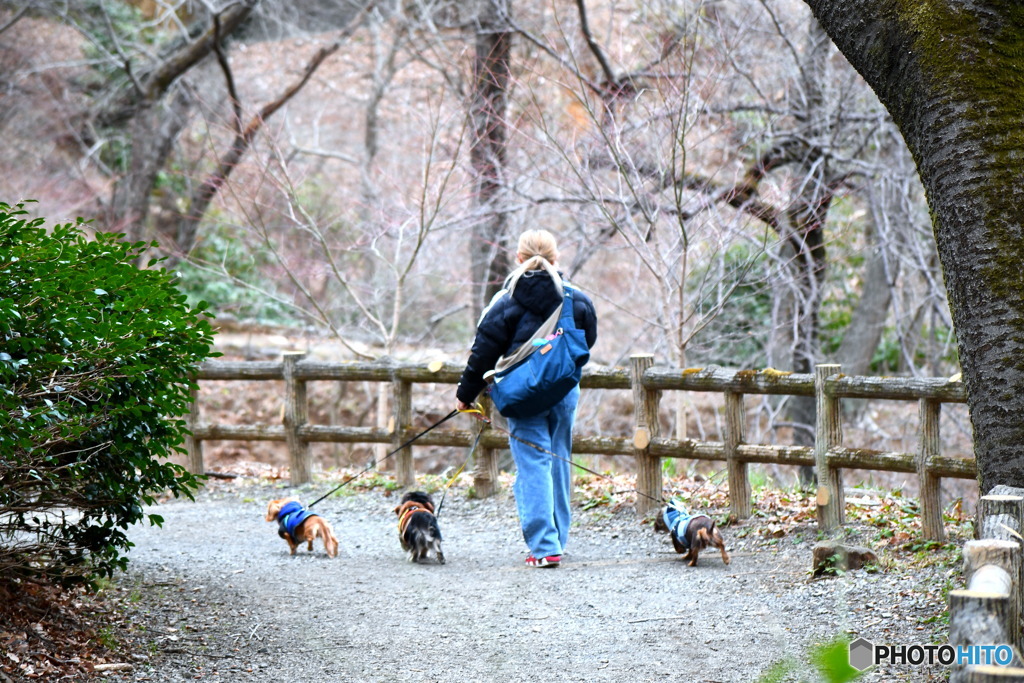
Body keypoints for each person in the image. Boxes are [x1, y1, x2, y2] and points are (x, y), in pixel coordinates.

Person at [456, 229, 598, 568]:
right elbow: (587, 342)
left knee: (533, 463)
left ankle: (545, 546)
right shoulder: (576, 300)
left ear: (518, 258)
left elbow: (483, 352)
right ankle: (557, 540)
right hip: (563, 390)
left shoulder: (505, 301)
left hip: (520, 395)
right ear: (556, 257)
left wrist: (465, 394)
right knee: (559, 459)